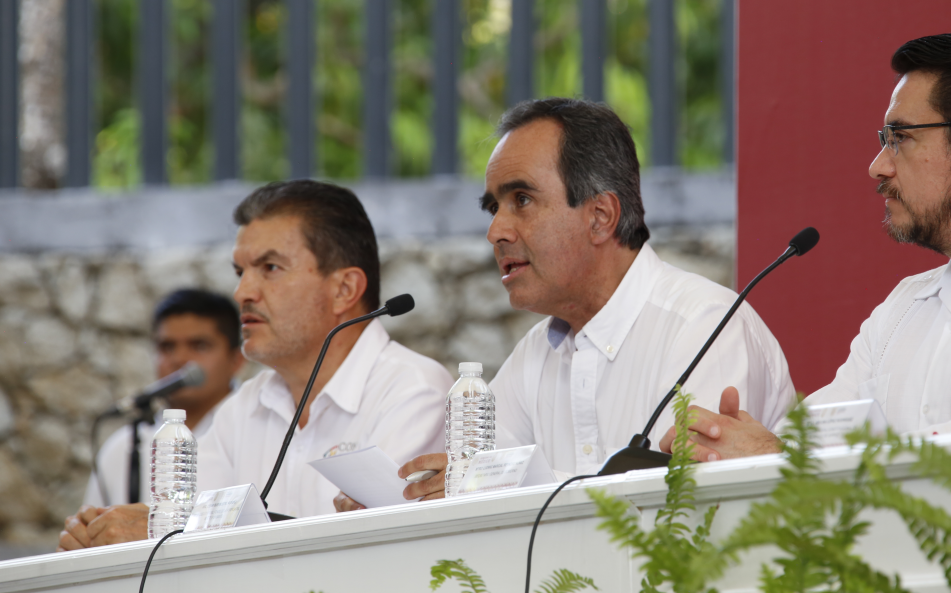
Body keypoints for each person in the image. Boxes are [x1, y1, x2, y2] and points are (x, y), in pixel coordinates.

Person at [658, 32, 951, 463]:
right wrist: (734, 447)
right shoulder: (904, 308)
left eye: (900, 138)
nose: (877, 166)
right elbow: (808, 439)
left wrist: (779, 457)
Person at [393, 98, 795, 503]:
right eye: (494, 207)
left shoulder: (704, 327)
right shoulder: (533, 355)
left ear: (600, 216)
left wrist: (504, 482)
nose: (495, 230)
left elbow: (684, 514)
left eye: (522, 200)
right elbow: (473, 487)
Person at [66, 180, 453, 546]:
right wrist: (110, 531)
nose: (243, 292)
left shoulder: (413, 390)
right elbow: (190, 522)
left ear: (344, 289)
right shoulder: (242, 408)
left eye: (270, 268)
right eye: (240, 272)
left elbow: (366, 549)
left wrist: (158, 529)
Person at [59, 289, 246, 551]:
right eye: (167, 347)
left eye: (199, 345)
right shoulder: (122, 447)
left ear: (236, 359)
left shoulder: (257, 430)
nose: (180, 359)